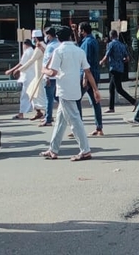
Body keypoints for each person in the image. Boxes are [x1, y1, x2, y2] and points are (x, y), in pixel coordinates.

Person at [39, 27, 101, 161]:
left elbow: (53, 72)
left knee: (74, 120)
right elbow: (88, 71)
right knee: (61, 121)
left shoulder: (59, 51)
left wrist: (44, 70)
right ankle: (53, 149)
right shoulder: (79, 51)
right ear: (70, 37)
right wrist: (95, 90)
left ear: (58, 38)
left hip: (64, 89)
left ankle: (85, 150)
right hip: (74, 88)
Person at [77, 23, 104, 136]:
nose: (78, 32)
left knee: (76, 100)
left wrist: (84, 77)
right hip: (94, 74)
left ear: (83, 31)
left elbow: (86, 62)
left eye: (79, 30)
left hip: (87, 75)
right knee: (95, 101)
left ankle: (78, 127)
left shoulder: (87, 43)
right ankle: (99, 127)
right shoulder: (92, 40)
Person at [100, 30, 136, 114]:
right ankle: (111, 107)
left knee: (119, 89)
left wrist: (101, 61)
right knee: (111, 88)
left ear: (110, 36)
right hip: (120, 69)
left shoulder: (111, 44)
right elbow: (127, 58)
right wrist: (121, 61)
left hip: (114, 68)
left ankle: (133, 101)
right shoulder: (122, 45)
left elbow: (107, 55)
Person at [6, 40, 36, 120]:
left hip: (28, 77)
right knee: (33, 95)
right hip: (32, 76)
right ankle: (39, 112)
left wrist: (11, 70)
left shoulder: (27, 52)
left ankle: (21, 113)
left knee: (25, 96)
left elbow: (21, 63)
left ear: (25, 45)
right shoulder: (33, 51)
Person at [39, 27, 60, 126]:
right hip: (58, 75)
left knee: (49, 98)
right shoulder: (59, 44)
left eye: (45, 35)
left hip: (50, 75)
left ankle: (48, 119)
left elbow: (47, 61)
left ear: (49, 35)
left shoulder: (51, 46)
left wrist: (46, 75)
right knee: (57, 97)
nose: (45, 37)